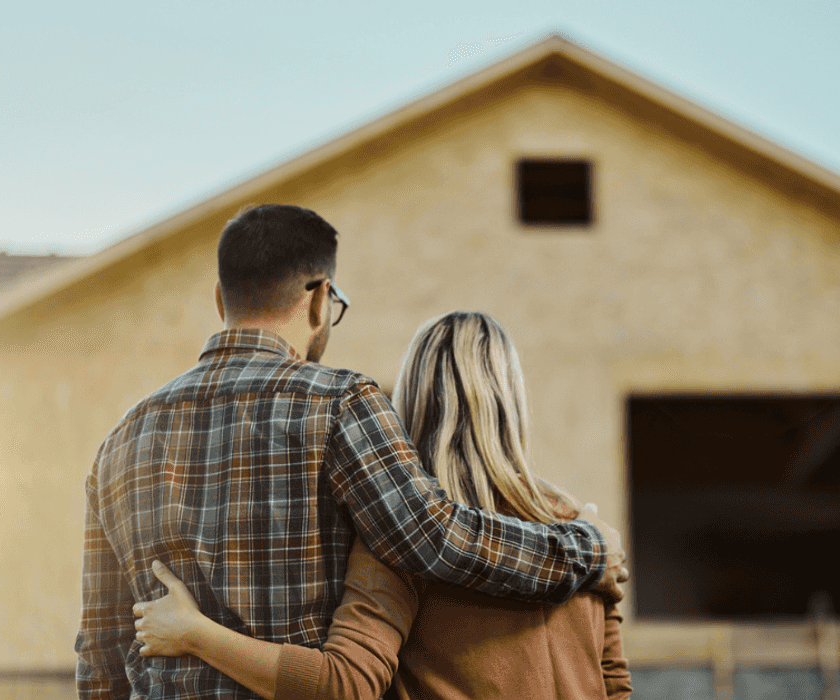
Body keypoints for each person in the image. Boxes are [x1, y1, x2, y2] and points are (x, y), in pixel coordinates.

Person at [76, 205, 627, 699]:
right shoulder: (339, 404)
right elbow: (436, 538)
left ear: (221, 299)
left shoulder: (119, 444)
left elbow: (100, 658)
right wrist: (588, 551)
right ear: (319, 299)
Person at [133, 311, 632, 700]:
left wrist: (195, 634)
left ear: (410, 402)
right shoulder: (584, 534)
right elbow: (615, 686)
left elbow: (342, 685)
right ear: (514, 403)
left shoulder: (398, 537)